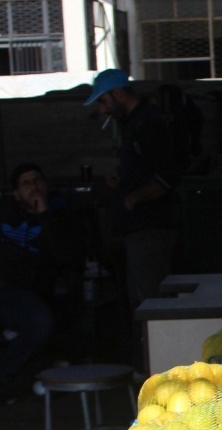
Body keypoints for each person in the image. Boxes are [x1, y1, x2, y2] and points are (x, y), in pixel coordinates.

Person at [84, 69, 183, 311]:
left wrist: (134, 198)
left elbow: (167, 175)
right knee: (141, 298)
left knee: (152, 301)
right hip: (139, 228)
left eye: (104, 101)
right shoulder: (134, 123)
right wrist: (122, 175)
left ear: (118, 94)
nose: (103, 109)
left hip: (150, 227)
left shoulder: (148, 123)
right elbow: (145, 165)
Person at [0, 163, 86, 347]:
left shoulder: (61, 217)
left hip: (29, 290)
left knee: (39, 322)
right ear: (16, 194)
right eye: (26, 183)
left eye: (37, 180)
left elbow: (66, 255)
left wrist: (44, 213)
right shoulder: (6, 216)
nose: (33, 187)